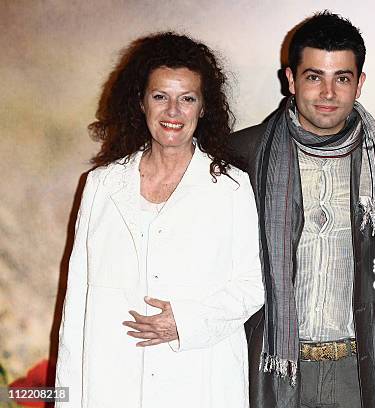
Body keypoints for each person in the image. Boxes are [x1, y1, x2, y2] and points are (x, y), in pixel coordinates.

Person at [55, 32, 264, 408]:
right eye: (160, 96)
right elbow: (78, 302)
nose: (173, 112)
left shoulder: (231, 187)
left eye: (187, 99)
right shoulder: (102, 184)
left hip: (199, 380)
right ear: (140, 102)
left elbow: (253, 285)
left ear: (203, 108)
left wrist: (183, 322)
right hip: (112, 380)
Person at [229, 11, 375, 408]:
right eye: (313, 77)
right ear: (290, 79)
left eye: (341, 78)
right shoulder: (242, 155)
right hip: (271, 365)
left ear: (359, 84)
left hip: (360, 370)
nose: (328, 92)